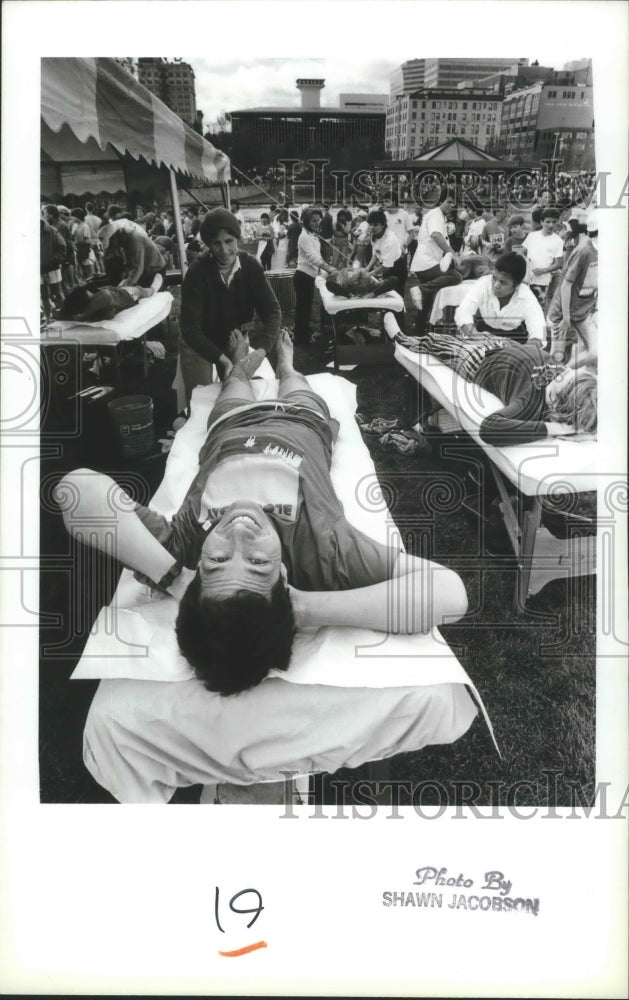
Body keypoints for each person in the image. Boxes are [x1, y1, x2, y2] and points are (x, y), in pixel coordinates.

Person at [57, 331, 468, 696]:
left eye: (217, 561)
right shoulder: (323, 549)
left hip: (230, 424)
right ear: (285, 578)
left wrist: (175, 578)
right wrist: (302, 609)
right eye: (257, 563)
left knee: (235, 382)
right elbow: (450, 595)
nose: (238, 532)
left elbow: (77, 489)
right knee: (294, 382)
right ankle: (286, 364)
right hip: (303, 423)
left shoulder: (183, 549)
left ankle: (236, 364)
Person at [179, 207, 280, 401]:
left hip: (234, 337)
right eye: (216, 244)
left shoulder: (251, 266)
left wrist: (262, 351)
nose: (224, 250)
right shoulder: (197, 272)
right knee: (201, 397)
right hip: (198, 341)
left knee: (238, 392)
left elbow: (272, 311)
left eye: (229, 241)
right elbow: (190, 328)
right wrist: (223, 360)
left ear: (238, 240)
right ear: (208, 244)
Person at [471, 340, 597, 446]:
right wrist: (562, 428)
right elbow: (488, 429)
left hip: (508, 349)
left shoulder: (565, 379)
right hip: (485, 359)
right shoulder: (531, 401)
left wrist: (592, 434)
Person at [455, 252, 545, 344]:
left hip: (514, 335)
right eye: (494, 278)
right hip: (483, 331)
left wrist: (528, 348)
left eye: (503, 282)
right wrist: (476, 336)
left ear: (516, 285)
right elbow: (463, 310)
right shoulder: (484, 283)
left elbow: (539, 329)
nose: (496, 285)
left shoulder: (526, 296)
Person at [546, 211, 598, 369]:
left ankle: (565, 373)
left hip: (583, 311)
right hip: (562, 313)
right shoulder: (584, 251)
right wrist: (566, 318)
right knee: (556, 357)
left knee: (594, 352)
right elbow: (566, 285)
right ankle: (550, 382)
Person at [409, 193, 462, 334]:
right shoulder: (435, 215)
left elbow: (440, 239)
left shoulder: (440, 217)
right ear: (440, 201)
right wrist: (453, 253)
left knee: (425, 303)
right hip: (425, 262)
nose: (451, 206)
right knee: (456, 277)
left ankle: (419, 333)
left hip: (426, 262)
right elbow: (435, 235)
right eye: (449, 202)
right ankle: (420, 289)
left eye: (453, 204)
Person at [292, 207, 337, 345]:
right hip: (302, 276)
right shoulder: (304, 237)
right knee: (303, 309)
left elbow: (318, 258)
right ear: (306, 221)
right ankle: (301, 339)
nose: (317, 223)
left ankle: (303, 335)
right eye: (313, 221)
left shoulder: (312, 235)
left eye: (318, 220)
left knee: (306, 308)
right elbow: (313, 259)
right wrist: (329, 269)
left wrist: (328, 269)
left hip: (308, 276)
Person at [54, 278, 161, 323]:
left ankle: (153, 288)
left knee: (139, 290)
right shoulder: (101, 299)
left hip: (120, 293)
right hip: (124, 294)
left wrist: (84, 315)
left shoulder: (96, 301)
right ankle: (153, 288)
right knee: (140, 290)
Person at [522, 208, 564, 310]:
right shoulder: (532, 236)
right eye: (548, 222)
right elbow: (523, 253)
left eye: (554, 222)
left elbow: (558, 263)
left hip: (543, 279)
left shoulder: (557, 240)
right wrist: (529, 265)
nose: (551, 225)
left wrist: (543, 270)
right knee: (525, 303)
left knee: (540, 306)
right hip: (528, 277)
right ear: (541, 222)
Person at [364, 209, 408, 298]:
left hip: (397, 268)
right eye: (370, 225)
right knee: (385, 295)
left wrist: (371, 273)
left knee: (397, 297)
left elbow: (387, 266)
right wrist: (367, 268)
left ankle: (399, 312)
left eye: (375, 225)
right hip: (387, 268)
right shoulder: (374, 235)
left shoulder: (390, 240)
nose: (372, 228)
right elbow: (376, 254)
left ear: (383, 224)